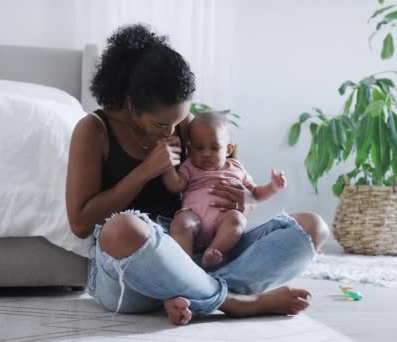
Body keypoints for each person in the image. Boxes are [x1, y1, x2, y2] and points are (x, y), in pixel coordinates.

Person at [65, 24, 330, 326]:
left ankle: (189, 292)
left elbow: (229, 179)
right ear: (130, 105)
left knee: (312, 228)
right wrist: (145, 171)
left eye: (178, 121)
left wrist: (245, 201)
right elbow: (80, 223)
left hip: (197, 250)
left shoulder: (181, 122)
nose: (173, 130)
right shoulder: (93, 130)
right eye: (161, 125)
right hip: (134, 265)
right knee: (121, 229)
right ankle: (234, 302)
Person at [163, 112, 288, 269]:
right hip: (193, 216)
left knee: (237, 220)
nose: (206, 154)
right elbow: (176, 185)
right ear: (189, 149)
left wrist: (273, 187)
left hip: (223, 222)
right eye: (199, 148)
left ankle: (213, 253)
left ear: (228, 149)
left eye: (214, 148)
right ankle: (185, 264)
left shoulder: (236, 168)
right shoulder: (190, 166)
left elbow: (255, 193)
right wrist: (166, 166)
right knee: (181, 222)